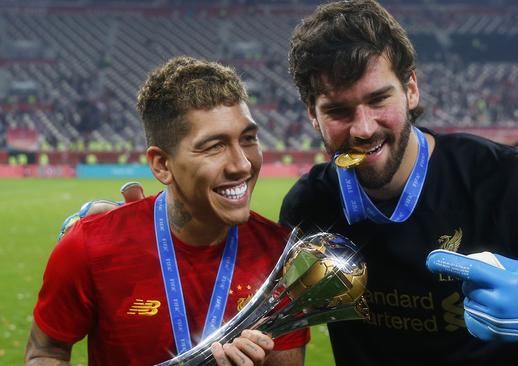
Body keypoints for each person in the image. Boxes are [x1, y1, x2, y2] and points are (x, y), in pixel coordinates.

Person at [280, 1, 518, 365]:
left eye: (379, 100)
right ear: (313, 115)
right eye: (338, 110)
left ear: (411, 89)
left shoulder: (510, 182)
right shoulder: (307, 208)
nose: (363, 128)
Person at [26, 57, 309, 366]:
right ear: (162, 164)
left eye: (248, 139)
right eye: (214, 146)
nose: (242, 164)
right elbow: (46, 352)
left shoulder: (279, 255)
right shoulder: (90, 245)